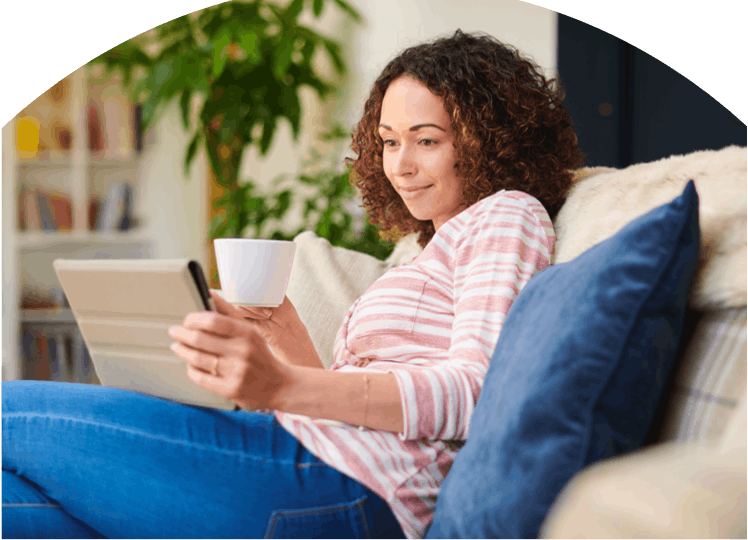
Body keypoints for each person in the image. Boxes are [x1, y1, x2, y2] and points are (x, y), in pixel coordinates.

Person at [2, 30, 584, 539]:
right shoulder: (423, 251)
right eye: (388, 140)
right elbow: (351, 401)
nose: (399, 164)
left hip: (344, 486)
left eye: (426, 140)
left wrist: (281, 386)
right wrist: (284, 333)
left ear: (491, 138)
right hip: (318, 468)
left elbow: (475, 394)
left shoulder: (506, 215)